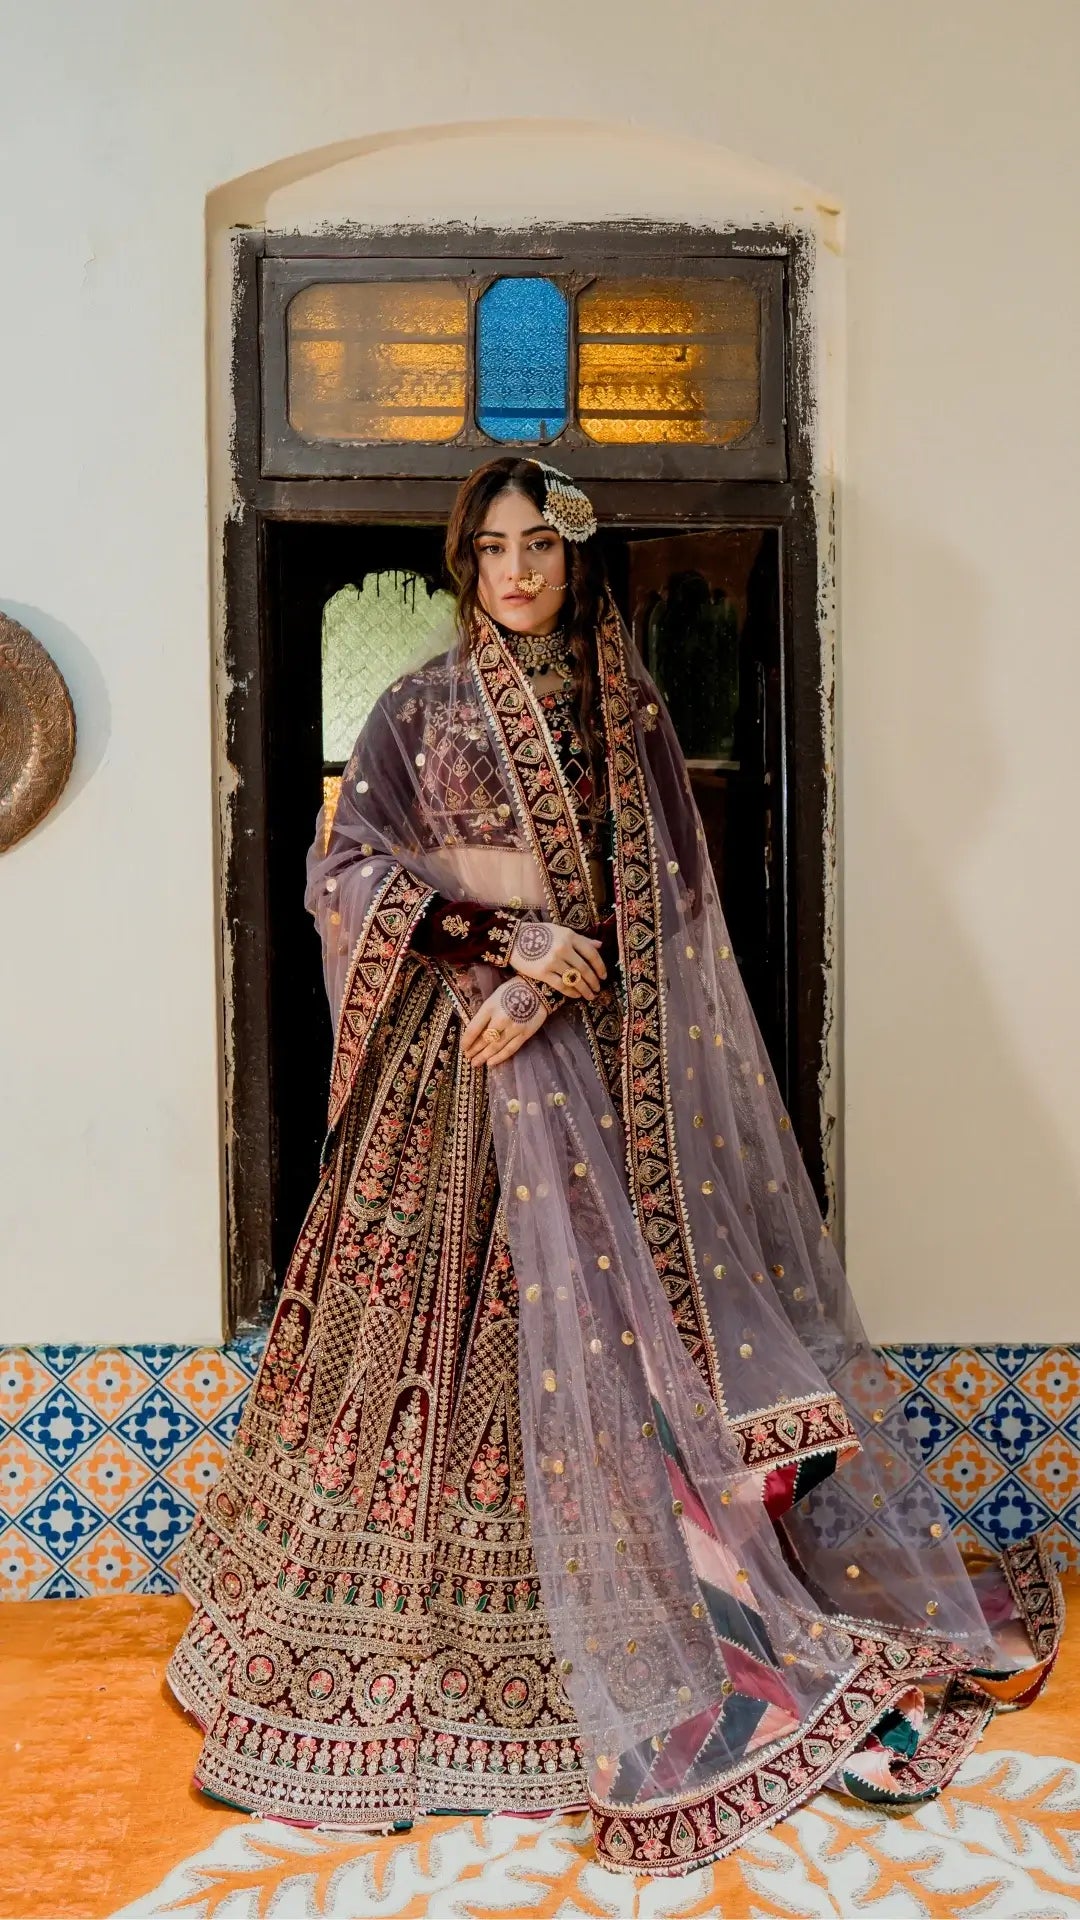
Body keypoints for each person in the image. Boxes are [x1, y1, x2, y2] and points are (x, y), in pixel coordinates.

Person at [169, 455, 1061, 1874]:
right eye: (494, 548)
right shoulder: (418, 707)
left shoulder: (624, 706)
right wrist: (496, 949)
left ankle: (678, 1625)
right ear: (463, 564)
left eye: (541, 546)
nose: (518, 570)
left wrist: (591, 976)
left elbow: (683, 902)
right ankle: (423, 1659)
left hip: (598, 1073)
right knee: (433, 1336)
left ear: (572, 562)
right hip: (454, 1066)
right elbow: (347, 872)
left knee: (613, 1327)